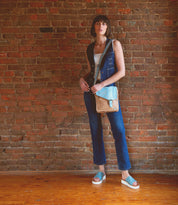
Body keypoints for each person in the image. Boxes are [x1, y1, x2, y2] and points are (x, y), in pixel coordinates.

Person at [79, 15, 139, 189]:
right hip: (91, 92)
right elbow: (91, 70)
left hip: (109, 92)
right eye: (97, 23)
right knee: (95, 130)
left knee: (118, 130)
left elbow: (122, 72)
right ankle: (101, 170)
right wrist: (81, 80)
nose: (101, 25)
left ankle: (125, 174)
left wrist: (102, 84)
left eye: (104, 23)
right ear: (94, 27)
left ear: (107, 27)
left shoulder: (114, 44)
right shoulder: (90, 48)